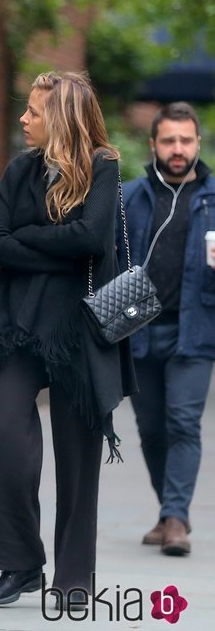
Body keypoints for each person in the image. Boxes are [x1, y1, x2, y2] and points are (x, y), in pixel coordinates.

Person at [0, 72, 136, 610]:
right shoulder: (19, 170)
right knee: (11, 442)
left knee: (77, 458)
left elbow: (91, 238)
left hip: (80, 329)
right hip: (19, 326)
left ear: (61, 120)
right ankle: (20, 562)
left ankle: (73, 579)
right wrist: (58, 249)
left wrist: (31, 240)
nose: (24, 119)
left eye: (35, 112)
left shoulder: (102, 167)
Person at [122, 101, 213, 557]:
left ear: (198, 143)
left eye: (186, 140)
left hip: (194, 333)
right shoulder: (130, 198)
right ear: (154, 144)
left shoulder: (213, 201)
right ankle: (169, 512)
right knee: (152, 430)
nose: (178, 149)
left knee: (183, 423)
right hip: (139, 330)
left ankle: (176, 518)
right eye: (169, 140)